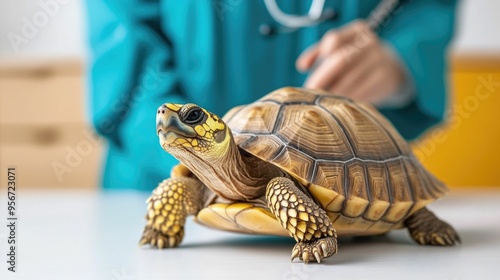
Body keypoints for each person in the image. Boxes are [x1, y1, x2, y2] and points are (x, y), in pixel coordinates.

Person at [86, 0, 457, 190]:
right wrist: (210, 169)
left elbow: (424, 9)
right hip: (153, 185)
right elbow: (126, 71)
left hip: (344, 186)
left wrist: (403, 58)